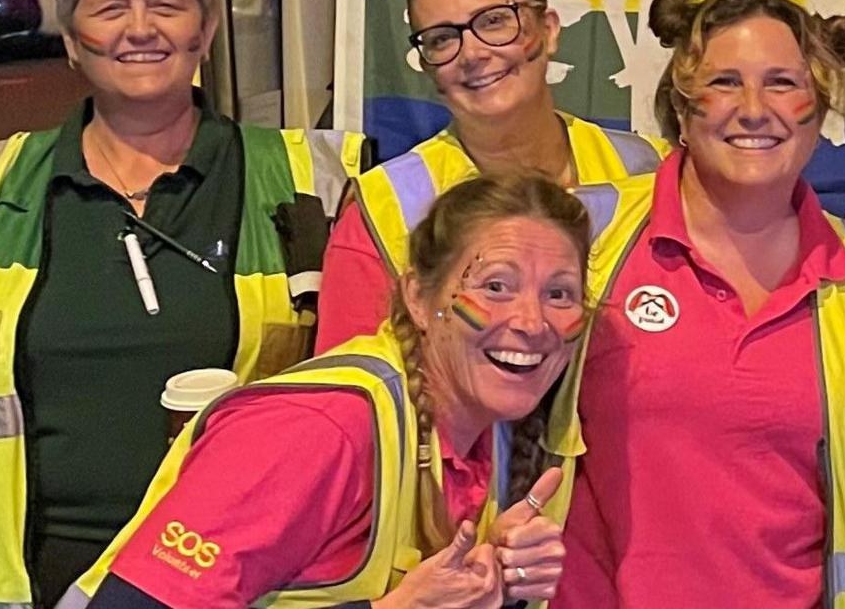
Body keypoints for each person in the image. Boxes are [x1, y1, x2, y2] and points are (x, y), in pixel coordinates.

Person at [0, 0, 362, 609]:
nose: (141, 29)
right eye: (110, 11)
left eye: (166, 5)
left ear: (206, 31)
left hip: (242, 579)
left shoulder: (311, 182)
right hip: (28, 582)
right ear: (73, 39)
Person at [558, 0, 845, 608]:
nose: (754, 110)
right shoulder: (589, 238)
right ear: (682, 108)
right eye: (725, 82)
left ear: (820, 106)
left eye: (783, 83)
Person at [56, 170, 587, 607]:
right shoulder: (319, 431)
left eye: (560, 294)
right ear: (420, 299)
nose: (532, 321)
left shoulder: (486, 434)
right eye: (496, 285)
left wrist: (497, 585)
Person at [315, 0, 664, 349]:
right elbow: (350, 390)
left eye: (494, 21)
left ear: (548, 30)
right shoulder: (385, 209)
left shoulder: (651, 171)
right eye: (442, 38)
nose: (472, 53)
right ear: (426, 66)